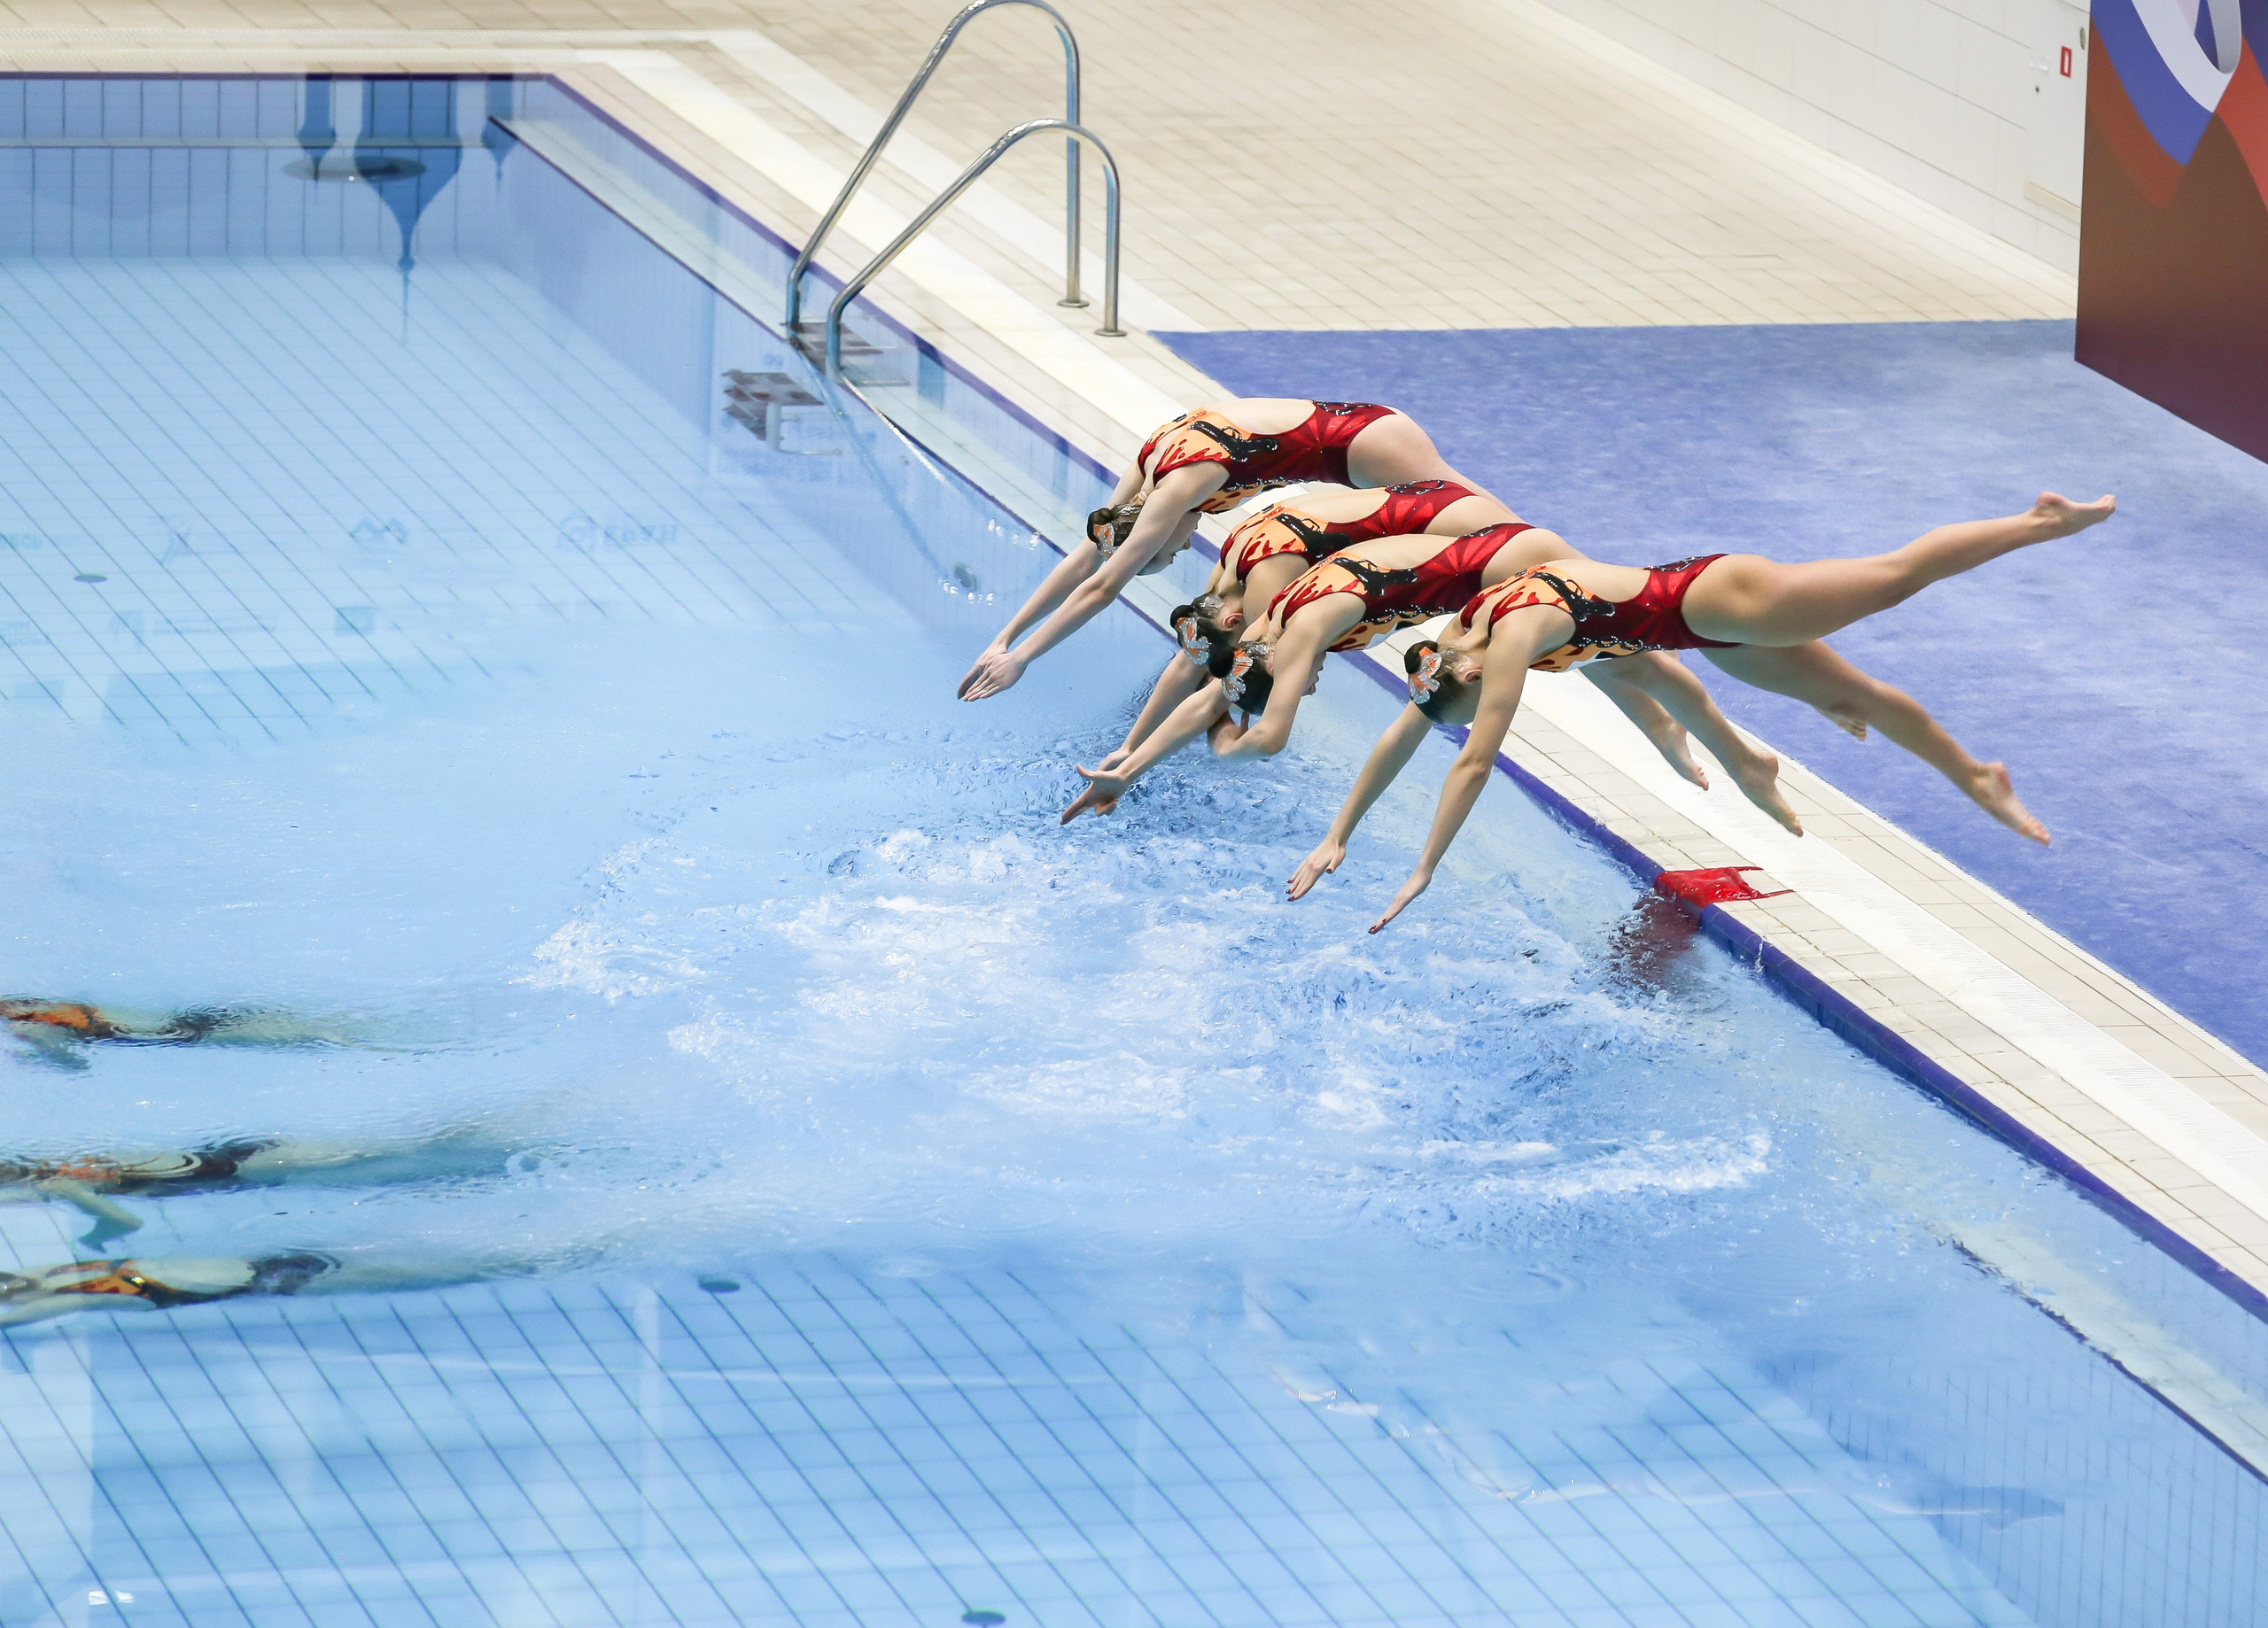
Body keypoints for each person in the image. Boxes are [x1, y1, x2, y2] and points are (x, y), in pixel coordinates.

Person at [1310, 492, 2113, 932]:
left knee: (1895, 575)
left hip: (1723, 602)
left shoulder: (1512, 636)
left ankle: (2037, 521)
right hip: (1698, 628)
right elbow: (1406, 730)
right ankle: (1975, 773)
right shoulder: (1460, 645)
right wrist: (1339, 832)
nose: (1493, 703)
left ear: (1475, 671)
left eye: (1484, 696)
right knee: (1846, 696)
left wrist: (1423, 868)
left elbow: (1476, 760)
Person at [1062, 520, 1802, 831]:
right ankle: (1692, 738)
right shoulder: (1271, 630)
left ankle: (1732, 753)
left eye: (1302, 683)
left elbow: (1273, 731)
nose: (1310, 686)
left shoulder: (1306, 628)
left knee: (1633, 662)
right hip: (1467, 563)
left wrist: (1232, 744)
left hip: (1502, 556)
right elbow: (1220, 694)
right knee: (1617, 664)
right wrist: (1130, 769)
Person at [958, 398, 1487, 701]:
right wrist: (1002, 639)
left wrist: (1023, 657)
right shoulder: (1148, 476)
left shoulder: (1178, 486)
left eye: (1169, 551)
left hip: (1361, 444)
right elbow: (1088, 556)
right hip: (1359, 434)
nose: (1186, 546)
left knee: (1496, 537)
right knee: (1492, 536)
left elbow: (1101, 587)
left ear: (1156, 531)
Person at [1, 998, 359, 1068]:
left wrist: (34, 1058)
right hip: (180, 1017)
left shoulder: (22, 1023)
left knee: (303, 1037)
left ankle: (343, 1038)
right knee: (290, 1025)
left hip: (172, 1031)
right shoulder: (20, 1004)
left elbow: (73, 1065)